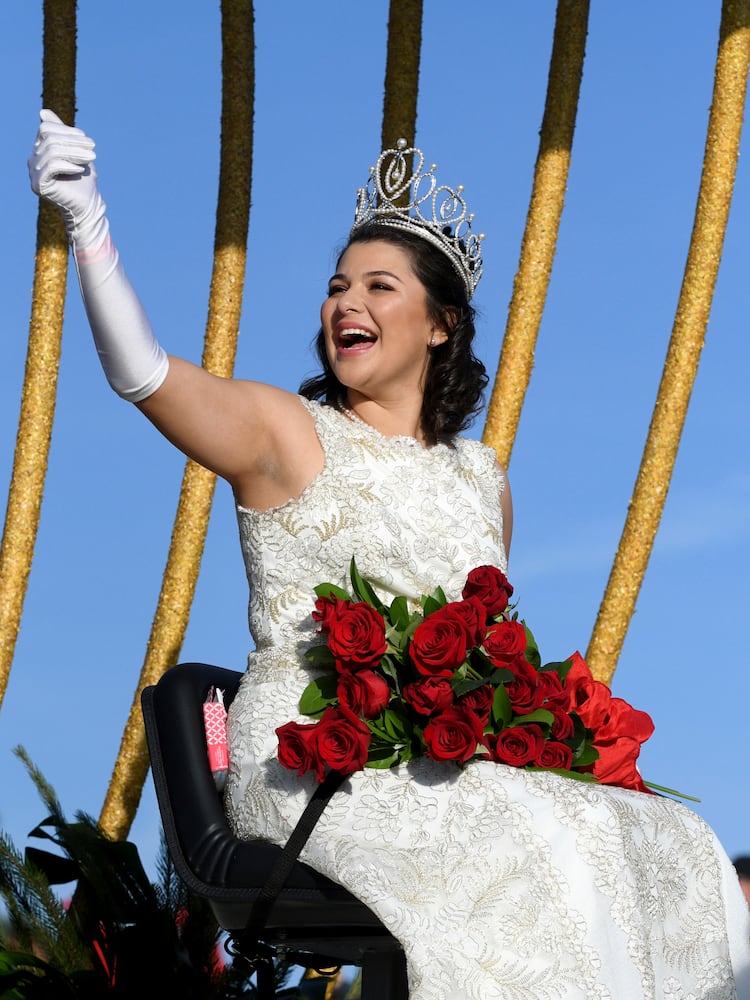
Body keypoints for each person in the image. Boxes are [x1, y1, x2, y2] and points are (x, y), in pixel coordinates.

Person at [29, 110, 750, 999]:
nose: (346, 304)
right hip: (316, 756)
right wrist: (87, 220)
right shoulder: (287, 433)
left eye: (378, 287)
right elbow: (142, 372)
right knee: (528, 843)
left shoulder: (483, 480)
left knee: (668, 841)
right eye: (337, 286)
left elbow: (485, 646)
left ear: (441, 325)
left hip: (446, 760)